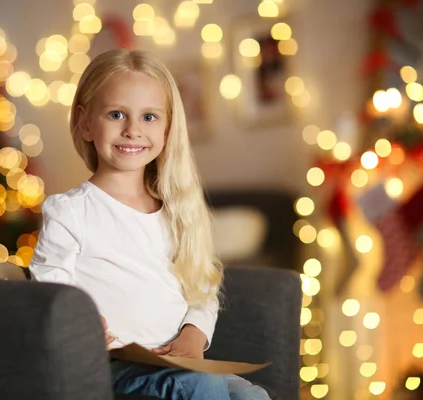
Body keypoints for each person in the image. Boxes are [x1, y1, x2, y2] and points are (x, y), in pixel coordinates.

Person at [29, 49, 270, 400]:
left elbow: (202, 290)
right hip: (111, 367)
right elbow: (49, 288)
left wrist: (192, 336)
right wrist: (81, 323)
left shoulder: (177, 211)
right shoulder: (70, 212)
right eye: (116, 114)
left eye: (149, 117)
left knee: (252, 396)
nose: (133, 130)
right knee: (206, 387)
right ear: (84, 122)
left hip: (177, 364)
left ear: (168, 126)